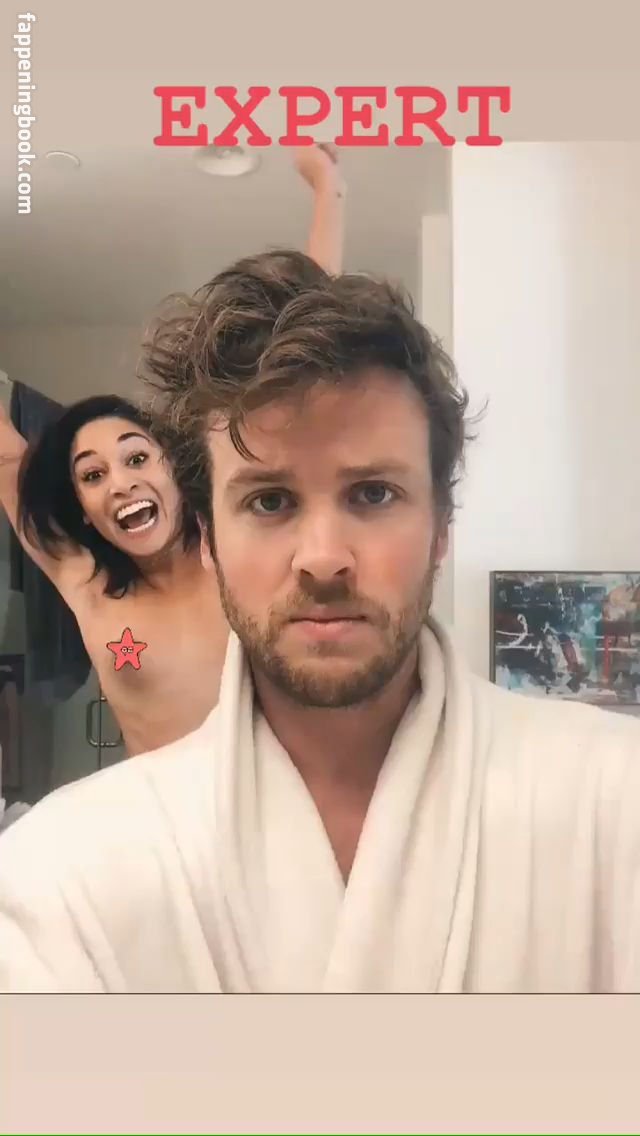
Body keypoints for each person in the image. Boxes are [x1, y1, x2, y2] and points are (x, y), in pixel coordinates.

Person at [3, 249, 640, 994]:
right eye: (269, 501)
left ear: (442, 528)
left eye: (372, 494)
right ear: (208, 538)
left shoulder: (613, 799)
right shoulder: (61, 875)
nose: (323, 560)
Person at [0, 145, 346, 757]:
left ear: (174, 466)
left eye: (136, 457)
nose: (120, 483)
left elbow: (301, 353)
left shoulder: (238, 554)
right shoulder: (84, 581)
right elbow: (7, 460)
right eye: (92, 475)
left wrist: (327, 192)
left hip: (274, 800)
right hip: (153, 816)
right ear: (84, 511)